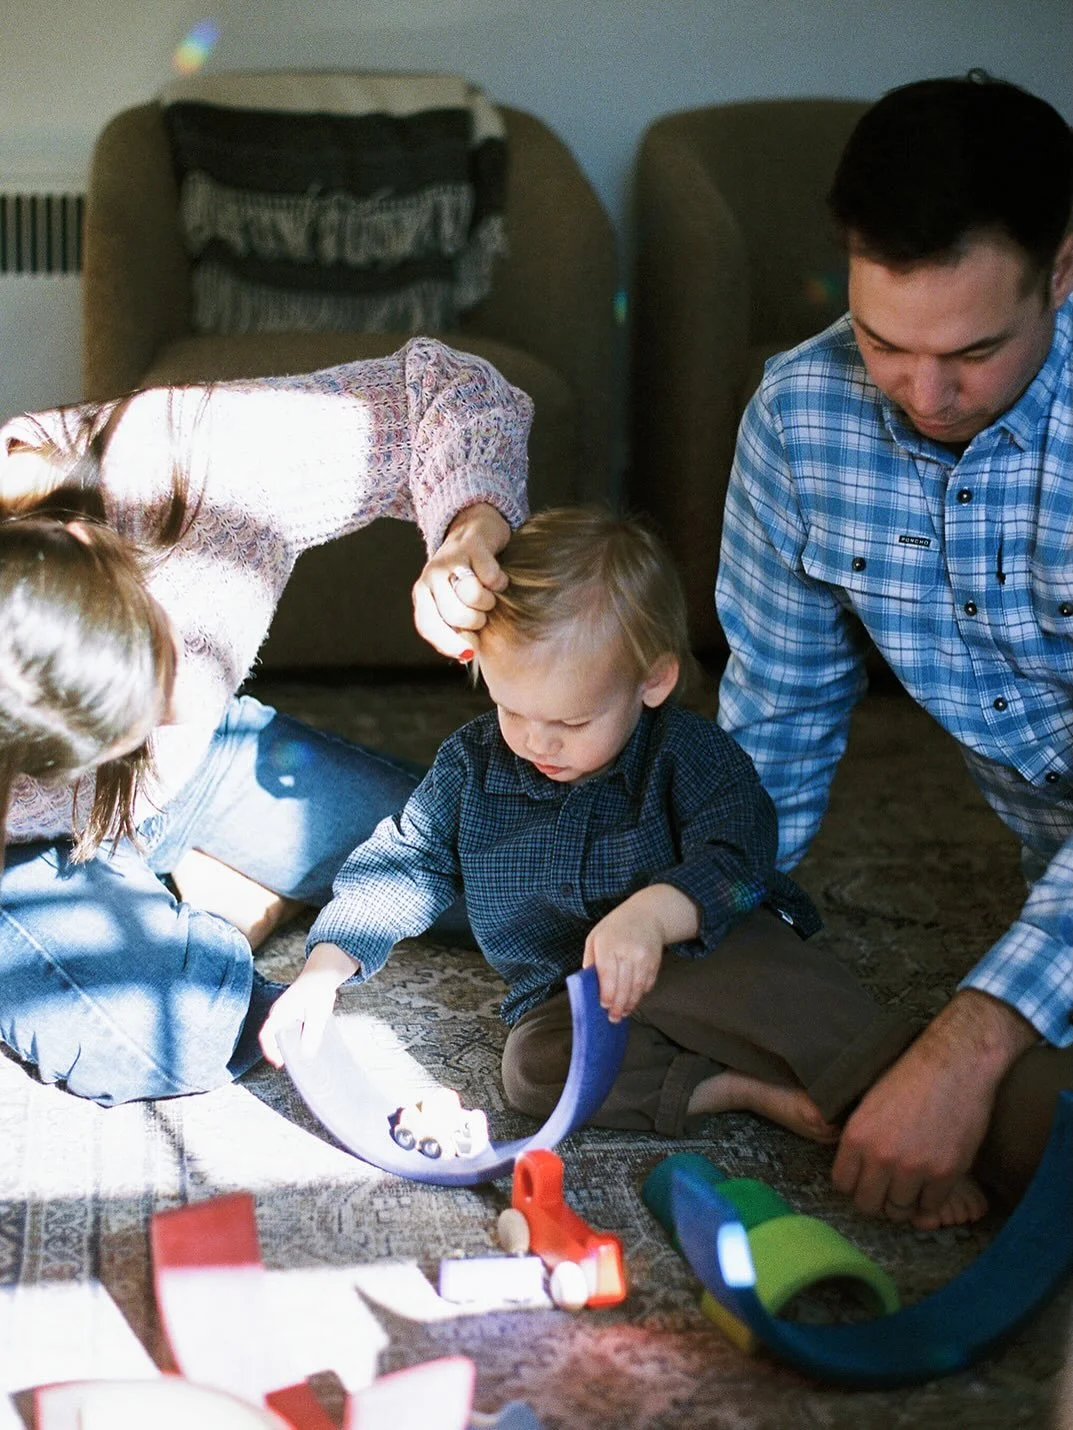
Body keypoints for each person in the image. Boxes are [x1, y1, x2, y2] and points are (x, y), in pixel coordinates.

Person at [259, 507, 959, 1208]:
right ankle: (736, 1088)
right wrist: (326, 969)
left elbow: (743, 857)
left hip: (696, 953)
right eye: (512, 710)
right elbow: (403, 862)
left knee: (789, 1000)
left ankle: (897, 1098)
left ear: (650, 683)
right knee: (532, 1073)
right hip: (570, 991)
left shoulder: (688, 757)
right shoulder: (472, 766)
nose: (538, 743)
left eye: (569, 722)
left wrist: (655, 918)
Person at [715, 71, 1073, 1230]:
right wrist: (697, 905)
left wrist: (963, 1040)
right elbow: (774, 722)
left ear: (1060, 272)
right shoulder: (795, 418)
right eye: (882, 341)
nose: (923, 393)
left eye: (971, 350)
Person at [0, 337, 531, 1107]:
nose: (175, 704)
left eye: (163, 661)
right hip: (37, 852)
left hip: (206, 771)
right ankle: (222, 907)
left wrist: (468, 530)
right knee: (165, 1031)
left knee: (520, 862)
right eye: (132, 723)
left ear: (93, 545)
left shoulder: (172, 462)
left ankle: (205, 897)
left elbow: (447, 389)